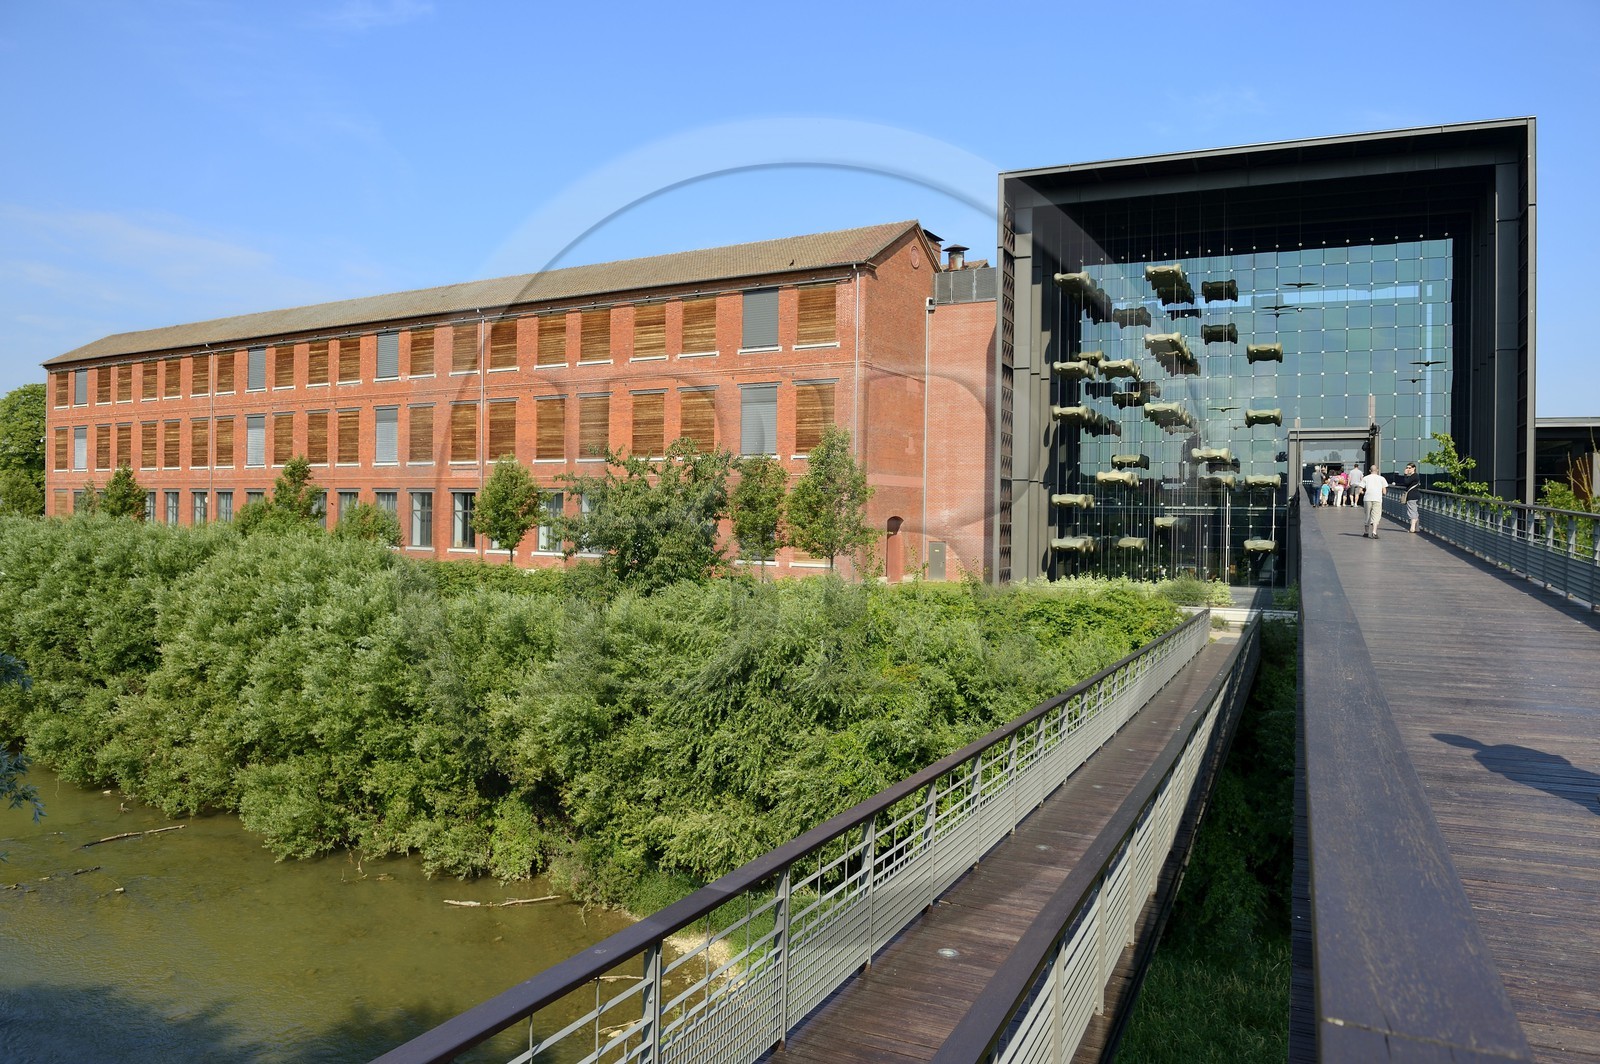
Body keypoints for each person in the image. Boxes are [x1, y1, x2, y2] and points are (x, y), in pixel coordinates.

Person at [1394, 461, 1422, 532]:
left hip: (1412, 496)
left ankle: (1412, 528)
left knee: (1411, 511)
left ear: (1414, 468)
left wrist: (1405, 474)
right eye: (1407, 468)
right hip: (1416, 495)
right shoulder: (1415, 476)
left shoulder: (1414, 475)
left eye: (1409, 468)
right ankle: (1416, 528)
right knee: (1415, 511)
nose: (1408, 469)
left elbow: (1406, 482)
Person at [1362, 467, 1389, 538]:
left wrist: (1362, 492)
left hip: (1367, 498)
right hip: (1377, 499)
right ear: (1377, 470)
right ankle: (1374, 532)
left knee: (1367, 515)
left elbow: (1360, 489)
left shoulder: (1365, 478)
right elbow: (1384, 491)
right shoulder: (1382, 478)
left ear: (1370, 470)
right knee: (1376, 515)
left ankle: (1366, 532)